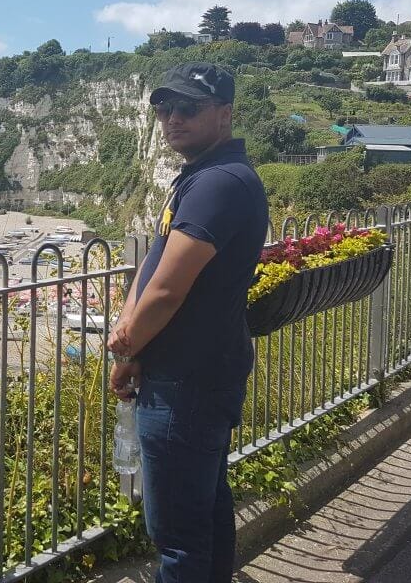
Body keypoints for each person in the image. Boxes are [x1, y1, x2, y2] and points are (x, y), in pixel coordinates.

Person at [106, 61, 269, 583]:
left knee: (176, 535)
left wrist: (128, 348)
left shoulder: (219, 184)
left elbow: (169, 289)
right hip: (190, 370)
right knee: (207, 512)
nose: (172, 119)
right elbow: (154, 261)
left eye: (188, 108)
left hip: (187, 381)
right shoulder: (198, 177)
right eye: (164, 108)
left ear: (225, 114)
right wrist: (132, 339)